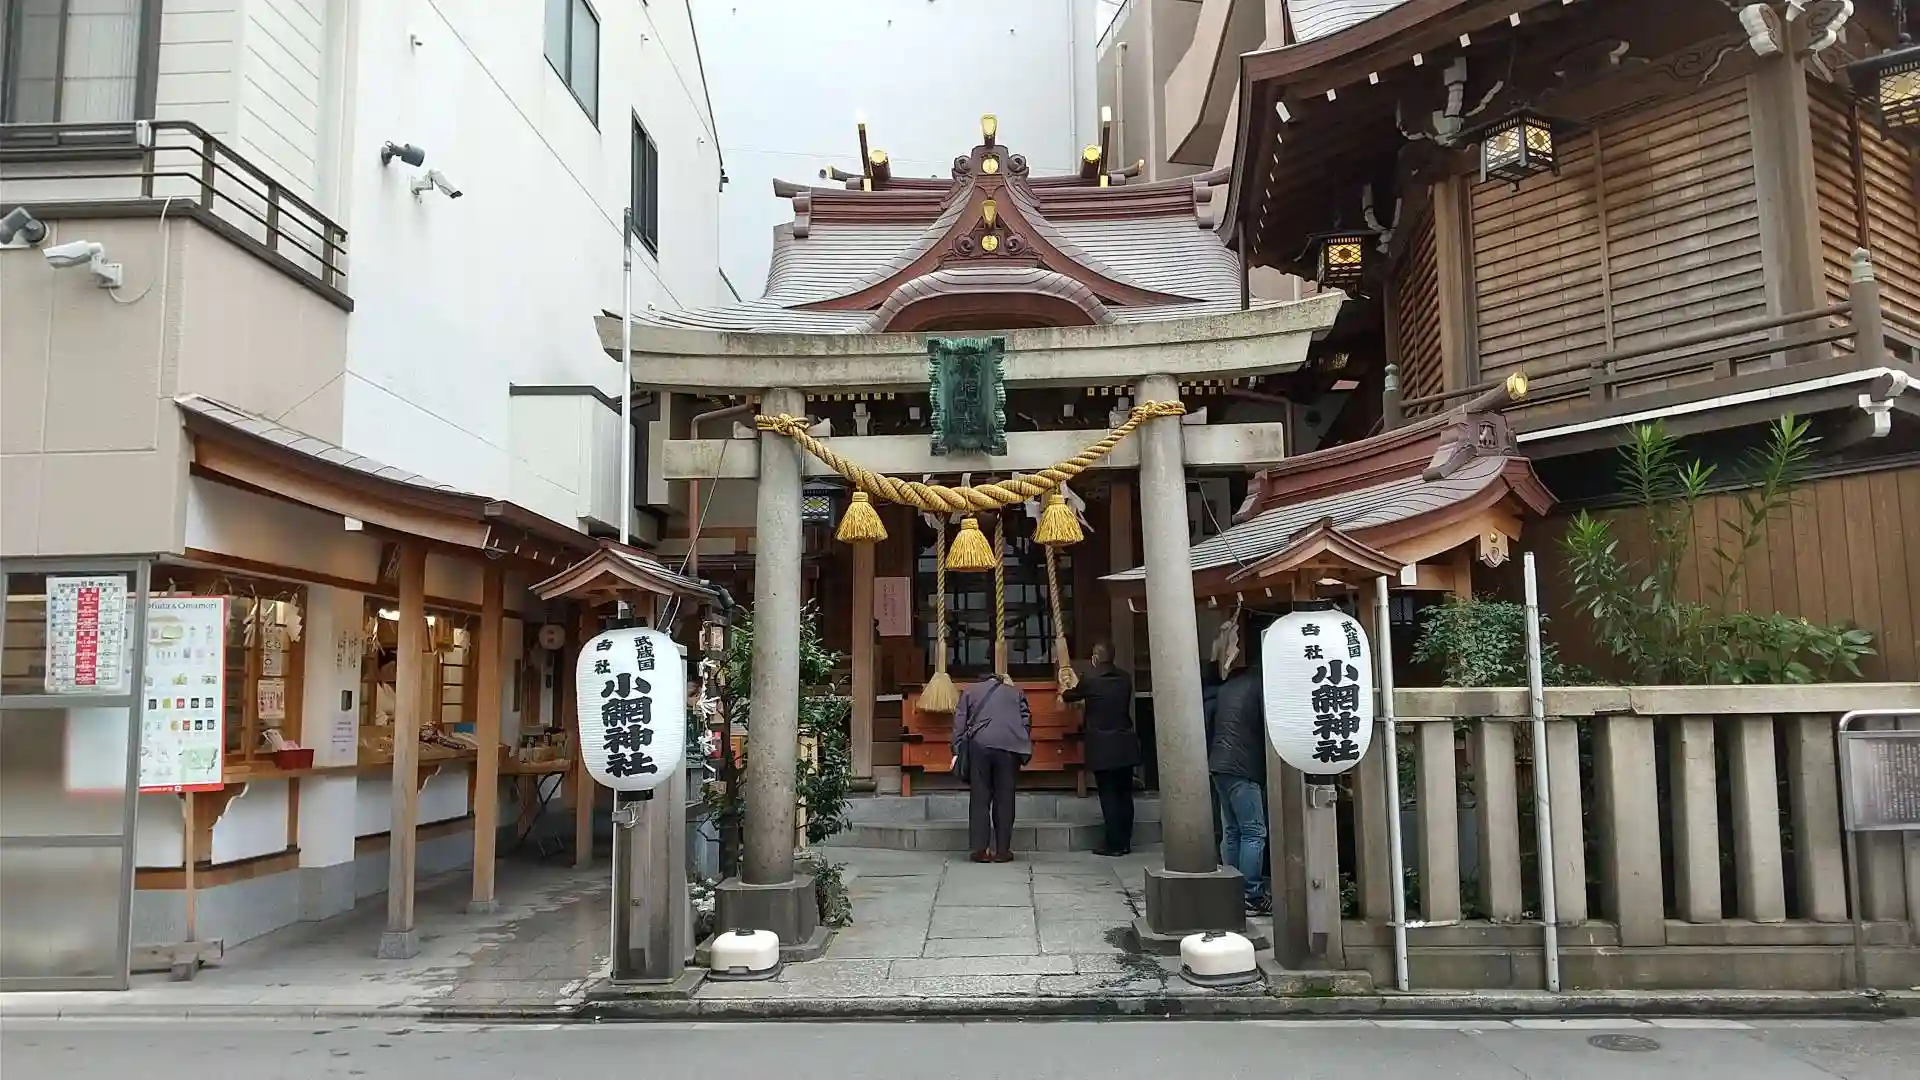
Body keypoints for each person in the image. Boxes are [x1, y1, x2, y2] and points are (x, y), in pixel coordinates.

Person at [1062, 643, 1139, 856]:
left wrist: (1067, 682)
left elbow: (1069, 695)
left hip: (1103, 745)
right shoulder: (1125, 678)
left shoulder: (1091, 680)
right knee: (1124, 794)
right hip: (1124, 743)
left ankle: (1113, 844)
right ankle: (1125, 841)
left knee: (1108, 795)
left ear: (1095, 658)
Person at [1207, 655, 1270, 914]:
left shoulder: (1228, 687)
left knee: (1232, 831)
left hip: (1219, 764)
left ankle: (1232, 889)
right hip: (1243, 766)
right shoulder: (1262, 687)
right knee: (1253, 832)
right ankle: (1251, 894)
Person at [951, 672, 1031, 863]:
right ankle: (1002, 850)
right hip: (1009, 747)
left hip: (980, 745)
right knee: (1005, 798)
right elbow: (1026, 721)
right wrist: (1018, 738)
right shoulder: (1016, 693)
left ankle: (981, 850)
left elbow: (959, 723)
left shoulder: (970, 692)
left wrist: (956, 750)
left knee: (980, 797)